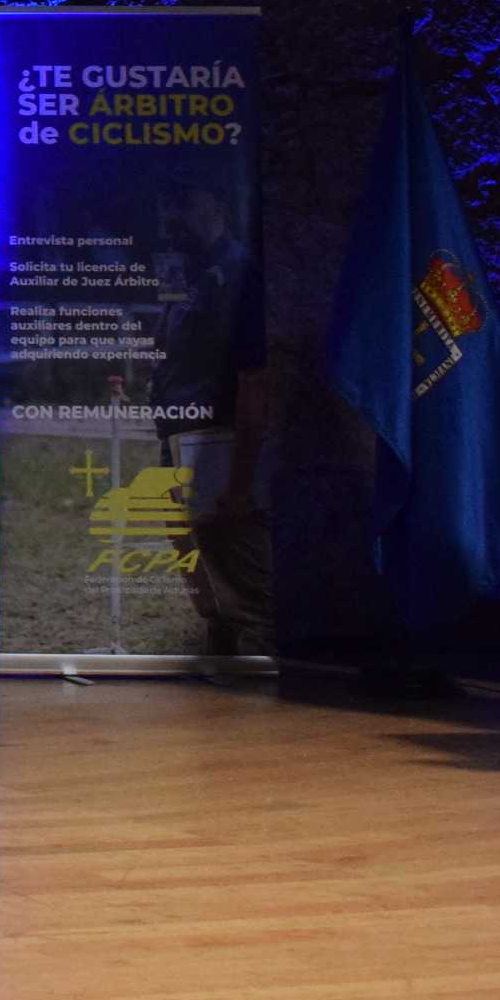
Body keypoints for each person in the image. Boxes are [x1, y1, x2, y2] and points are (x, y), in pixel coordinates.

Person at [149, 175, 272, 656]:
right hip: (179, 433)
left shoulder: (236, 272)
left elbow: (253, 375)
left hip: (218, 440)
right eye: (168, 206)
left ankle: (257, 654)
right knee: (195, 552)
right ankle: (224, 645)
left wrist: (240, 477)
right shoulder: (194, 271)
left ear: (217, 201)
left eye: (184, 200)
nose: (172, 217)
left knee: (237, 550)